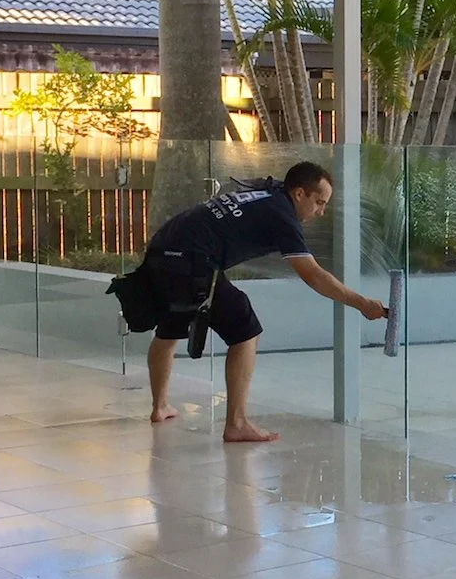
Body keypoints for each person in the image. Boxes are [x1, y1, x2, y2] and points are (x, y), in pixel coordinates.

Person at [144, 161, 387, 443]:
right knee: (246, 331)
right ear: (299, 194)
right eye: (319, 202)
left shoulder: (268, 194)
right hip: (192, 260)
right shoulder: (282, 214)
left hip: (162, 251)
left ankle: (160, 406)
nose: (321, 212)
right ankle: (235, 423)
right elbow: (313, 275)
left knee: (171, 326)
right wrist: (361, 303)